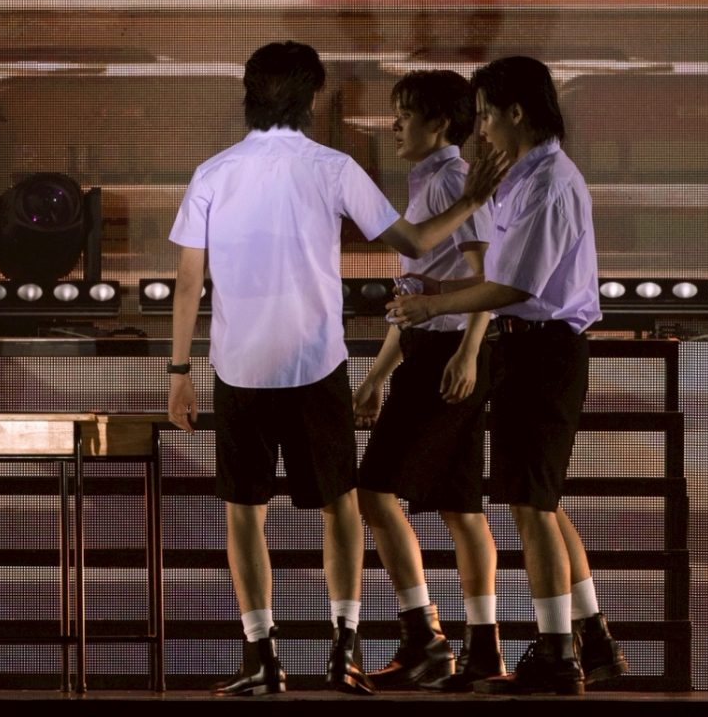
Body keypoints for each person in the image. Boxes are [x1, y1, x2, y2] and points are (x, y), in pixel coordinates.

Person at [164, 42, 503, 695]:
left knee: (245, 512)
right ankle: (343, 649)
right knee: (341, 506)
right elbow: (413, 241)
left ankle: (261, 658)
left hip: (239, 367)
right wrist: (471, 202)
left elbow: (187, 283)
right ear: (311, 100)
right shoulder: (334, 167)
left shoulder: (213, 172)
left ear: (249, 94)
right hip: (316, 363)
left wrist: (179, 371)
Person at [388, 56, 630, 695]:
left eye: (487, 115)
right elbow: (498, 275)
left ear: (516, 113)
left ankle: (557, 655)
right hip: (528, 348)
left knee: (531, 506)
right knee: (538, 500)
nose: (481, 128)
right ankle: (591, 641)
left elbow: (514, 285)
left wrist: (434, 304)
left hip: (546, 350)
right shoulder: (521, 176)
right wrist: (440, 291)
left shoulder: (548, 183)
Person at [352, 70, 498, 690]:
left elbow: (488, 276)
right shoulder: (431, 182)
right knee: (460, 507)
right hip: (429, 348)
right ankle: (476, 648)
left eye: (405, 114)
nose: (394, 125)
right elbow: (413, 295)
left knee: (374, 492)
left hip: (447, 354)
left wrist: (468, 351)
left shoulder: (452, 181)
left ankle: (427, 638)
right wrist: (378, 374)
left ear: (439, 123)